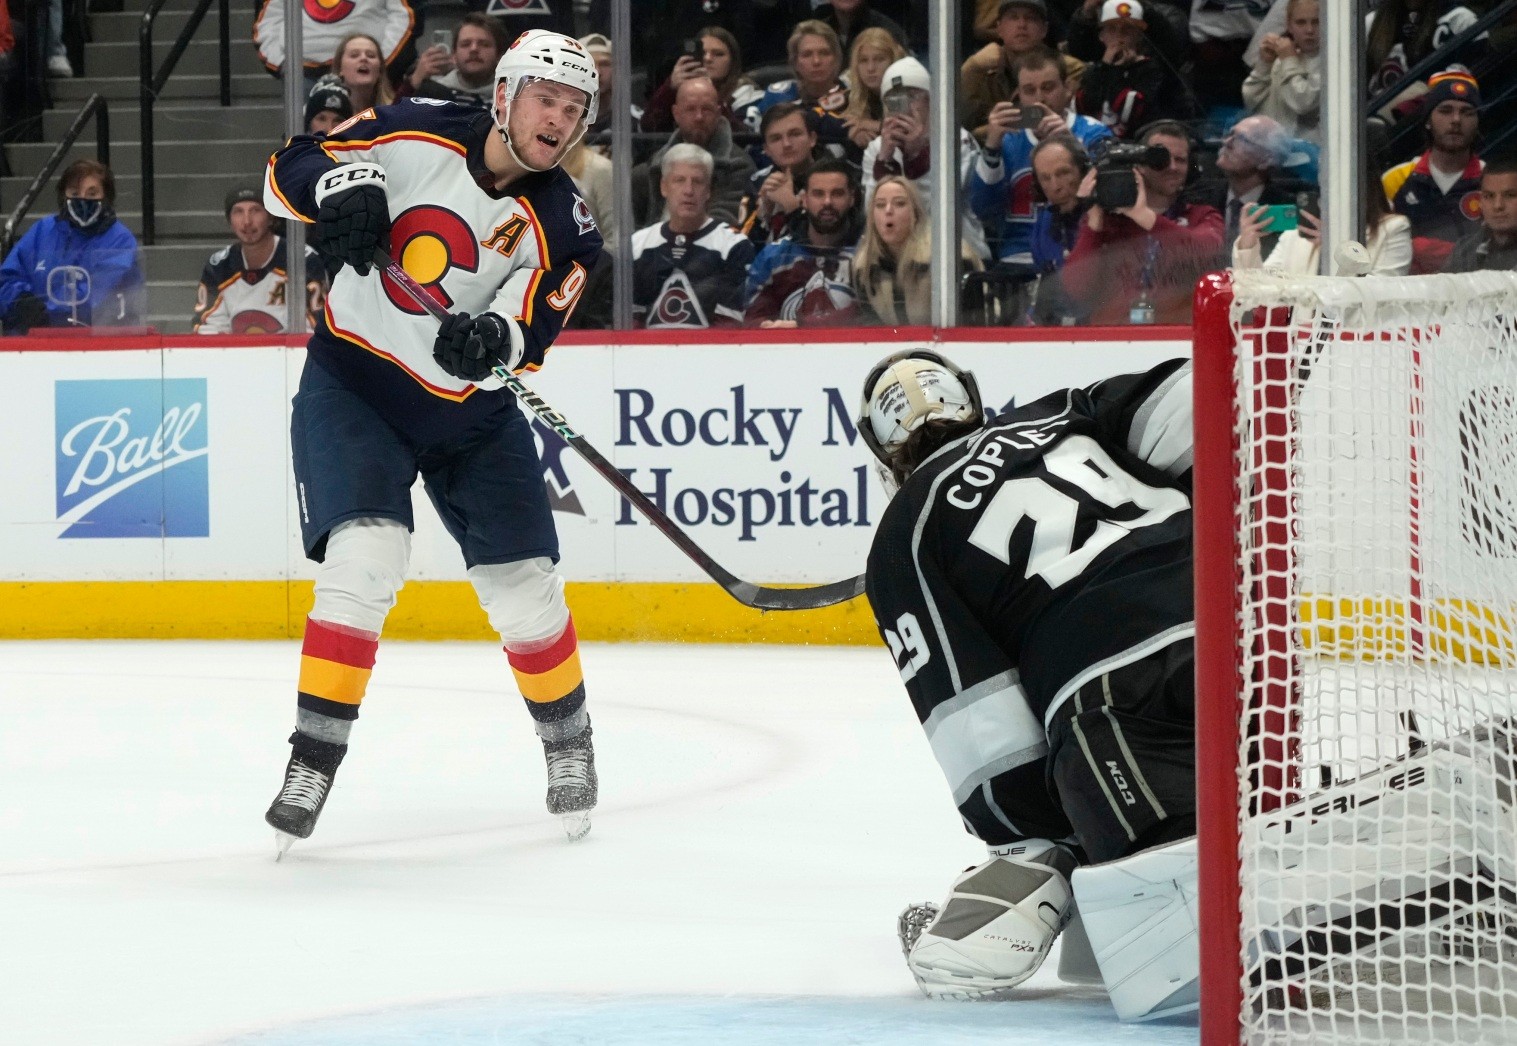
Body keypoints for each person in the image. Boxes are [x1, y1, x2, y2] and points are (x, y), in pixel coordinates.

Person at [259, 29, 605, 853]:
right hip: (355, 386)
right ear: (504, 96)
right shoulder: (413, 124)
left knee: (524, 589)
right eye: (544, 99)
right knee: (365, 559)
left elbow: (534, 325)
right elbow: (285, 172)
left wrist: (497, 339)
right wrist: (337, 192)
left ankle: (568, 739)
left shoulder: (567, 224)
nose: (557, 119)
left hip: (469, 417)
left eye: (573, 108)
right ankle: (312, 760)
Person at [859, 349, 1197, 1019]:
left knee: (1165, 903)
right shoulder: (1072, 408)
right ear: (972, 402)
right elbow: (1205, 403)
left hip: (1112, 700)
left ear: (883, 454)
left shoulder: (905, 534)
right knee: (1249, 804)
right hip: (1238, 640)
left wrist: (1045, 838)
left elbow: (978, 724)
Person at [1062, 120, 1222, 324]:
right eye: (1162, 159)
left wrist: (1143, 215)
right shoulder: (1107, 222)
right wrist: (1093, 221)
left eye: (1181, 160)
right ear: (1140, 165)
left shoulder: (1202, 216)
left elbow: (1208, 254)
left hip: (1175, 340)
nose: (1172, 167)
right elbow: (1077, 291)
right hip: (1112, 341)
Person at [968, 45, 1113, 268]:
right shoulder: (1007, 140)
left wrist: (1071, 146)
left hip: (1082, 251)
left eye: (1048, 88)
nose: (1040, 99)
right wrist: (991, 147)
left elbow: (1111, 198)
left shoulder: (1094, 133)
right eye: (1029, 90)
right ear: (1018, 95)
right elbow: (983, 209)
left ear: (1067, 89)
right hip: (1018, 260)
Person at [864, 56, 991, 262]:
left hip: (956, 255)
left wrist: (916, 155)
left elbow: (935, 213)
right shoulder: (877, 149)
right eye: (894, 99)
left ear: (931, 101)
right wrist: (885, 161)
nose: (904, 106)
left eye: (912, 96)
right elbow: (872, 217)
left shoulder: (956, 141)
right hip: (897, 258)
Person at [0, 159, 144, 333]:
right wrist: (21, 301)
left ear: (106, 196)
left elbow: (96, 296)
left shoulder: (120, 241)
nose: (83, 200)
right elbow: (6, 279)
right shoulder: (42, 230)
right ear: (63, 195)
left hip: (97, 346)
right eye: (74, 193)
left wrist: (46, 312)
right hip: (33, 345)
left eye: (92, 194)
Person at [632, 144, 756, 328]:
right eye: (679, 180)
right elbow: (632, 323)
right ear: (664, 187)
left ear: (708, 190)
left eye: (697, 181)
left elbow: (729, 327)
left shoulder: (733, 245)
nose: (688, 190)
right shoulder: (637, 244)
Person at [1382, 69, 1486, 274]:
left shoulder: (1492, 182)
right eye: (1445, 110)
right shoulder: (1394, 180)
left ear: (1477, 123)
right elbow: (1379, 246)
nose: (1456, 120)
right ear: (1427, 120)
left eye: (1467, 112)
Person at [744, 156, 863, 327]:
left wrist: (802, 327)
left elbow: (871, 317)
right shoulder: (775, 257)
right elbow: (751, 322)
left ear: (852, 198)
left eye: (837, 193)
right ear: (804, 200)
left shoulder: (868, 254)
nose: (827, 202)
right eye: (818, 194)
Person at [1234, 161, 1411, 276]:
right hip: (1301, 333)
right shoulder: (1297, 234)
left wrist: (1334, 247)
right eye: (1323, 183)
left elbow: (1380, 296)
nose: (1328, 192)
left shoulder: (1393, 229)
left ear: (1363, 187)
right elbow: (1262, 294)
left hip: (1357, 333)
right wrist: (1247, 247)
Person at [193, 186, 324, 334]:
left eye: (256, 210)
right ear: (229, 221)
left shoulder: (302, 260)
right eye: (238, 212)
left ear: (270, 217)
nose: (247, 221)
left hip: (290, 355)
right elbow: (208, 328)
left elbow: (317, 327)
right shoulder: (219, 266)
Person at [853, 175, 982, 326]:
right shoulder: (863, 267)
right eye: (880, 205)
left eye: (899, 204)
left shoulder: (949, 258)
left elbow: (973, 321)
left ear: (916, 212)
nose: (888, 211)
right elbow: (871, 324)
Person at [630, 76, 756, 229]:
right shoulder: (653, 168)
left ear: (718, 113)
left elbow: (725, 222)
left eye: (707, 109)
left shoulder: (738, 164)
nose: (699, 117)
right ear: (676, 114)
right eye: (690, 109)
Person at [961, 0, 1087, 146]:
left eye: (1031, 18)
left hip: (1059, 145)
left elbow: (1063, 118)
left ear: (1044, 30)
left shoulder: (1071, 68)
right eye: (1013, 17)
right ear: (999, 28)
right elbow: (962, 128)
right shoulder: (978, 68)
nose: (1022, 25)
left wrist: (994, 127)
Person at [1190, 114, 1303, 260]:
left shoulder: (1287, 213)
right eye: (1230, 134)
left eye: (1242, 140)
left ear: (1266, 159)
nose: (1227, 142)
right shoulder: (1199, 199)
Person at [1074, 0, 1191, 140]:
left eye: (1127, 29)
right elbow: (1084, 106)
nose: (1119, 36)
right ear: (1101, 36)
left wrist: (1113, 71)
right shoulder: (1095, 70)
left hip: (1139, 145)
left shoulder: (1152, 71)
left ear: (1140, 35)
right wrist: (1106, 67)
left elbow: (1129, 112)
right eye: (1112, 29)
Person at [742, 20, 851, 155]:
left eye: (824, 53)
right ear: (795, 62)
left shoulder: (856, 97)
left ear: (836, 58)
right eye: (807, 54)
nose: (816, 61)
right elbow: (758, 150)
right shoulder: (777, 98)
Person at [254, 0, 415, 86]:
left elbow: (404, 17)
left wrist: (379, 65)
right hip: (303, 75)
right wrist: (284, 65)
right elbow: (269, 23)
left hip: (366, 75)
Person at [641, 26, 763, 135]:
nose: (708, 59)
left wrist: (710, 93)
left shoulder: (747, 95)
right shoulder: (679, 90)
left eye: (718, 54)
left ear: (733, 61)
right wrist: (669, 89)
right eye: (702, 53)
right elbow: (647, 130)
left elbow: (742, 137)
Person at [1027, 133, 1094, 325]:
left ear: (1083, 171)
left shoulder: (1106, 216)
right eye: (1045, 178)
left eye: (1063, 173)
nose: (1055, 186)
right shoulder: (1045, 220)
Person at [739, 102, 825, 248]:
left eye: (795, 134)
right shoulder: (757, 182)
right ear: (766, 149)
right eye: (776, 138)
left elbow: (830, 245)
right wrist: (763, 212)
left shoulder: (836, 179)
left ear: (812, 139)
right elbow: (741, 247)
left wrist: (792, 208)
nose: (786, 144)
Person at [1241, 0, 1321, 146]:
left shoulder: (1332, 63)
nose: (1309, 30)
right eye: (1301, 23)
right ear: (1289, 26)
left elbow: (1302, 102)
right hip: (1275, 147)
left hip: (1311, 151)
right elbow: (1251, 100)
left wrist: (1289, 60)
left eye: (1316, 22)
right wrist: (1264, 64)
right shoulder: (1282, 59)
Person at [404, 13, 507, 108]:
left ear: (499, 54)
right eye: (465, 44)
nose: (473, 49)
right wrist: (413, 84)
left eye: (484, 44)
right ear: (454, 55)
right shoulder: (434, 96)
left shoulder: (513, 97)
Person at [837, 27, 907, 158]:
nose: (871, 68)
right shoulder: (849, 93)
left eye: (879, 59)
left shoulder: (911, 92)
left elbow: (910, 132)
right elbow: (816, 117)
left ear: (893, 60)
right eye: (863, 61)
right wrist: (853, 132)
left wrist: (873, 125)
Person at [1444, 159, 1517, 273]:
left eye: (1510, 195)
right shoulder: (1464, 251)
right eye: (1489, 196)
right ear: (1480, 202)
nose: (1498, 205)